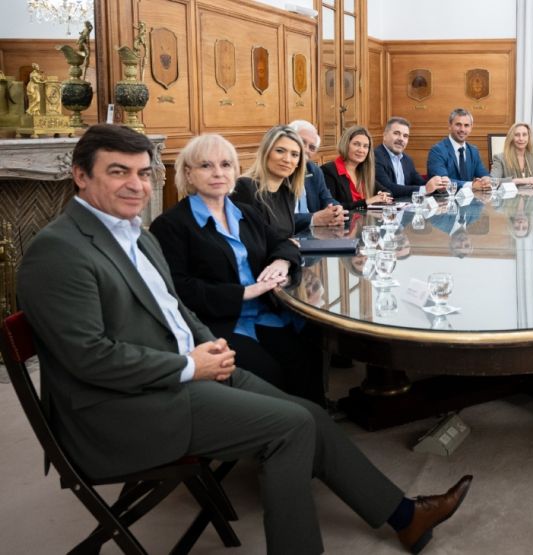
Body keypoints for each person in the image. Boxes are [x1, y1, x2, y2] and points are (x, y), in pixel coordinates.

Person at [16, 124, 473, 555]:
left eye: (142, 172)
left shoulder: (136, 233)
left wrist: (205, 346)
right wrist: (192, 365)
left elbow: (177, 308)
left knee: (309, 413)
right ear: (80, 176)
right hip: (126, 408)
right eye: (118, 172)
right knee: (290, 428)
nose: (136, 185)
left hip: (182, 370)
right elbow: (90, 360)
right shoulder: (59, 251)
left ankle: (405, 516)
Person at [149, 134, 325, 405]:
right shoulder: (171, 224)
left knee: (309, 354)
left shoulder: (246, 213)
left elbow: (283, 243)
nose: (218, 173)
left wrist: (281, 261)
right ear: (188, 173)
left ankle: (315, 428)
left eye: (226, 165)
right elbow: (179, 288)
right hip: (219, 321)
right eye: (206, 166)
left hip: (266, 312)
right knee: (271, 375)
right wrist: (243, 292)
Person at [231, 125, 306, 240]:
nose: (287, 159)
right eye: (280, 151)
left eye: (294, 155)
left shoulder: (288, 193)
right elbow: (247, 242)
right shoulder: (244, 187)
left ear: (298, 163)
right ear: (266, 153)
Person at [287, 120, 346, 231]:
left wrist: (336, 210)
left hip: (314, 234)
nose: (306, 149)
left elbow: (327, 199)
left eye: (312, 148)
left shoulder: (313, 170)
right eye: (302, 142)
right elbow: (278, 220)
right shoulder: (280, 172)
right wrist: (313, 219)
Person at [322, 125, 393, 211]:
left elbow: (388, 192)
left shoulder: (363, 171)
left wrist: (383, 196)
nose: (361, 150)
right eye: (356, 144)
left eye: (365, 146)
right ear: (346, 144)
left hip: (365, 222)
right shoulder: (329, 170)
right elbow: (332, 207)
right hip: (344, 222)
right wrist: (366, 202)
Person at [375, 116, 448, 196]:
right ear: (384, 136)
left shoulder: (407, 160)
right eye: (396, 133)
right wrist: (425, 189)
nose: (401, 139)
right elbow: (388, 188)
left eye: (405, 136)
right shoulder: (376, 156)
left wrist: (438, 187)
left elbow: (421, 183)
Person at [427, 108, 491, 190]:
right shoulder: (437, 150)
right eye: (458, 124)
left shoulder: (473, 151)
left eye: (466, 125)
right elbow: (442, 183)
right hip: (445, 200)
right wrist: (471, 185)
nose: (462, 129)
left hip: (470, 200)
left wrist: (485, 181)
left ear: (471, 128)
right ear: (450, 126)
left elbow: (484, 174)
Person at [490, 122, 533, 186]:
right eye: (517, 135)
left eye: (524, 135)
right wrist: (519, 181)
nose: (521, 138)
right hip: (511, 196)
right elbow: (492, 181)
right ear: (511, 138)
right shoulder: (499, 158)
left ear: (529, 137)